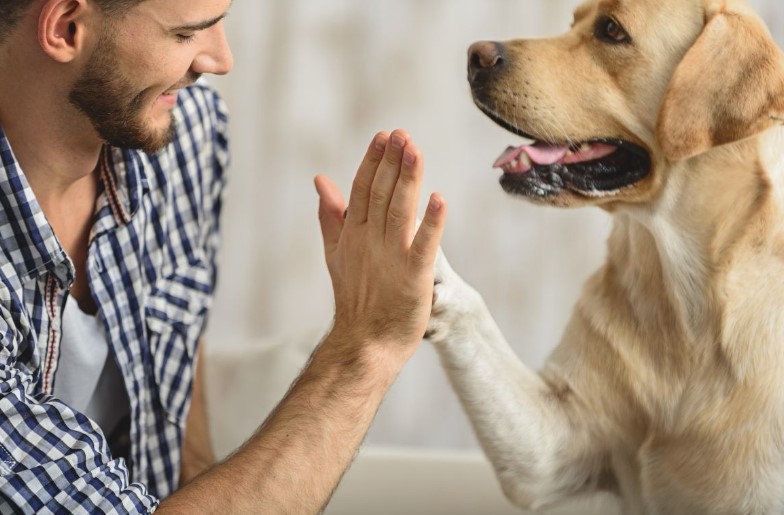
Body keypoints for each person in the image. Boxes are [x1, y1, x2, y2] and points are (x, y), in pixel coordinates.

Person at [0, 0, 447, 512]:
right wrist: (368, 347)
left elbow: (176, 375)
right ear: (66, 28)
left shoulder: (182, 128)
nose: (219, 59)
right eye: (188, 35)